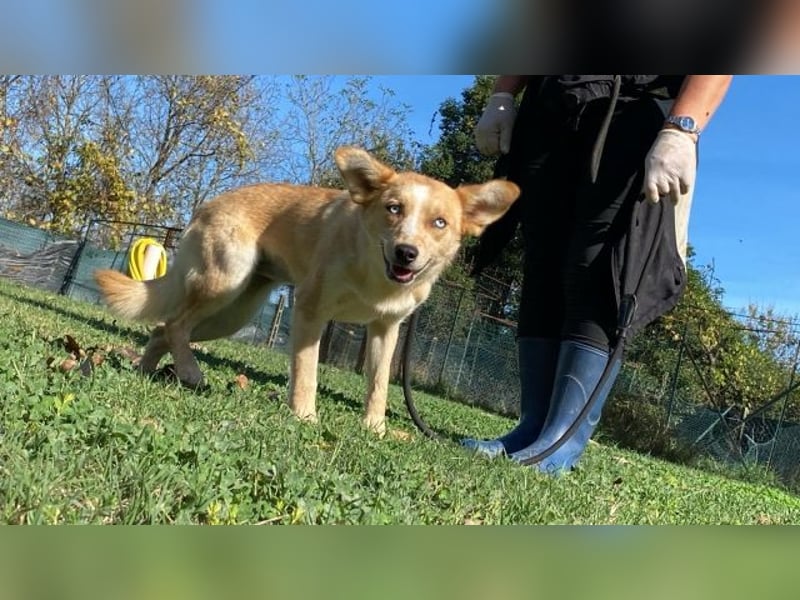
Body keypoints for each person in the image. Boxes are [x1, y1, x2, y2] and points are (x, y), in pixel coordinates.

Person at [461, 75, 733, 473]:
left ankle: (561, 440)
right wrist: (502, 94)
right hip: (553, 104)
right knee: (543, 261)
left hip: (633, 111)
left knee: (597, 268)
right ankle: (532, 428)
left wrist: (682, 128)